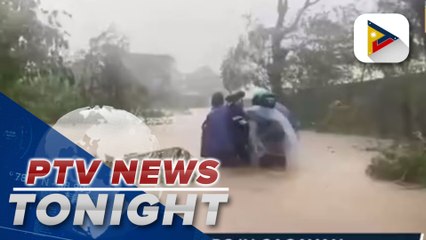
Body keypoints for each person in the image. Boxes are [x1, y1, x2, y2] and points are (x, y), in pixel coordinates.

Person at [246, 90, 298, 169]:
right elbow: (293, 130)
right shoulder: (282, 111)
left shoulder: (255, 113)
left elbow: (252, 134)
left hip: (266, 151)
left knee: (264, 177)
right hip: (281, 151)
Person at [201, 92, 239, 166]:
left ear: (212, 102)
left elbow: (206, 133)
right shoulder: (229, 111)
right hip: (228, 152)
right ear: (222, 101)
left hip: (212, 154)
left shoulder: (210, 115)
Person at [225, 91, 250, 164]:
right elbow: (245, 126)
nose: (242, 102)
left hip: (228, 141)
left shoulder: (226, 110)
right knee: (246, 161)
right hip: (238, 141)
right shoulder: (237, 111)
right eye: (241, 100)